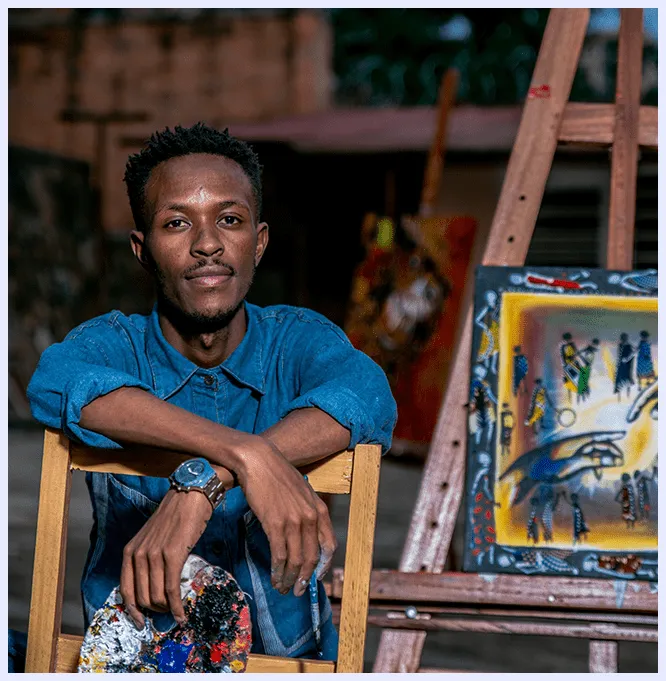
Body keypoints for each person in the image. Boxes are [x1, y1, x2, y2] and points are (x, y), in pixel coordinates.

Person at [20, 124, 397, 667]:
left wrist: (205, 482)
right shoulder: (115, 346)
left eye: (229, 220)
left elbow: (368, 393)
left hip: (292, 663)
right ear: (143, 250)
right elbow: (56, 382)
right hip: (136, 663)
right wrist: (247, 453)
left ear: (258, 243)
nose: (207, 244)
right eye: (177, 223)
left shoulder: (297, 341)